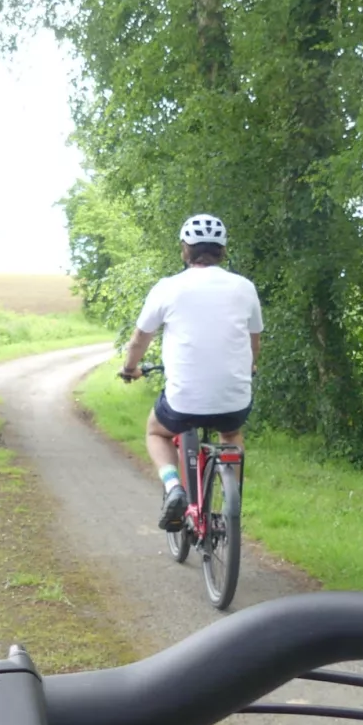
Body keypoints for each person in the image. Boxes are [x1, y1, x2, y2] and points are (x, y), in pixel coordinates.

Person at [120, 214, 263, 531]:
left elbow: (139, 340)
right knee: (231, 433)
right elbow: (254, 344)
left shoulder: (168, 288)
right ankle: (230, 503)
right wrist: (249, 367)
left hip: (184, 402)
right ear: (222, 250)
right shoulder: (244, 288)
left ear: (186, 249)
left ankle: (173, 487)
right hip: (234, 400)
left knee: (156, 431)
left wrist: (130, 369)